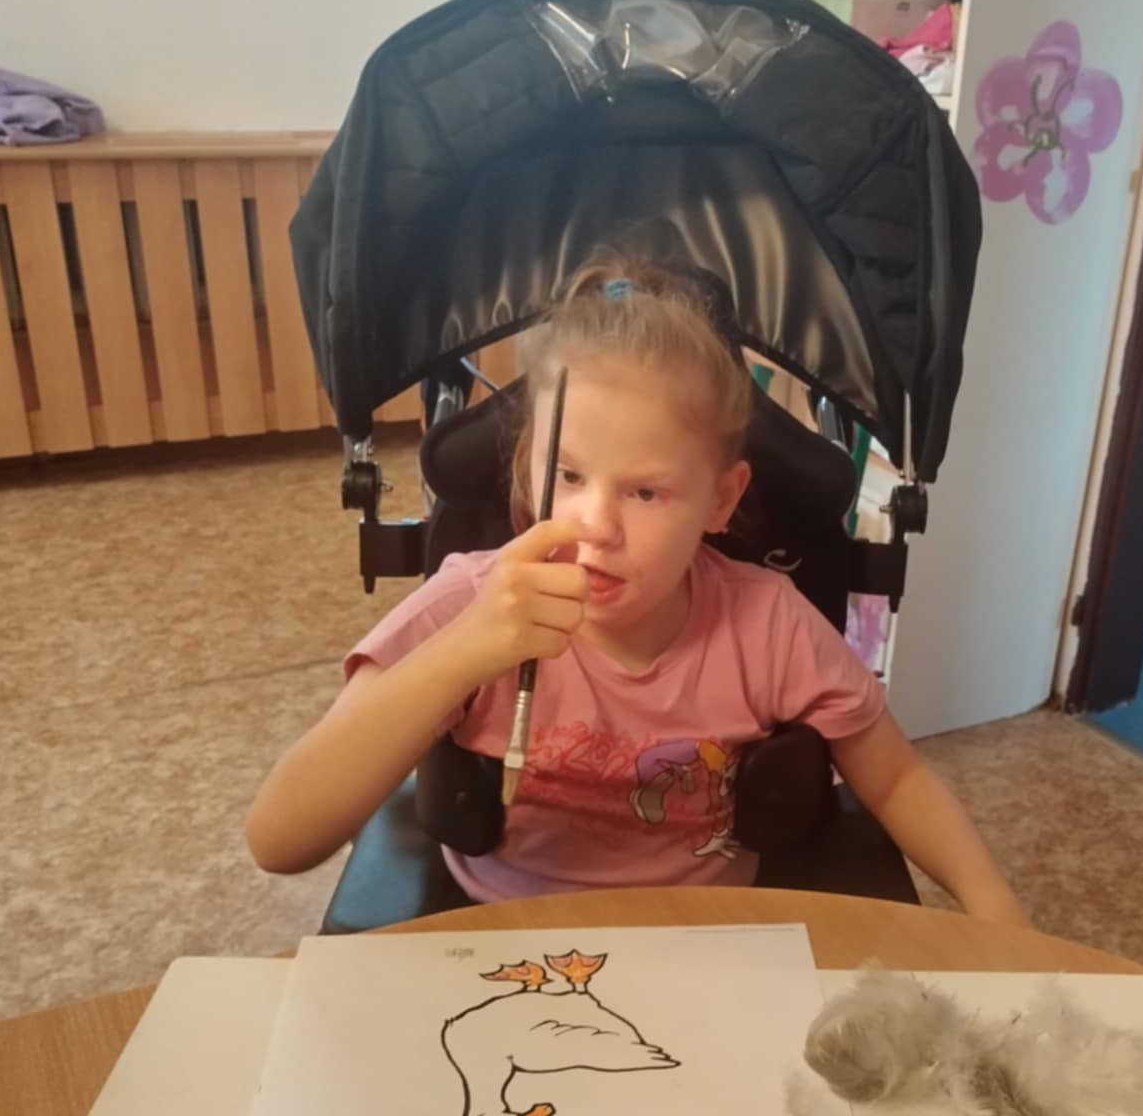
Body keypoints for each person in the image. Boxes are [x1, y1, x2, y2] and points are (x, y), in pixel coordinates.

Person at [246, 257, 1025, 923]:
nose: (596, 524)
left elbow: (897, 776)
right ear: (526, 469)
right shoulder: (465, 607)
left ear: (721, 500)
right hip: (504, 928)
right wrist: (462, 654)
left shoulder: (768, 624)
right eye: (568, 476)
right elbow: (279, 838)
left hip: (700, 933)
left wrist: (996, 912)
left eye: (646, 492)